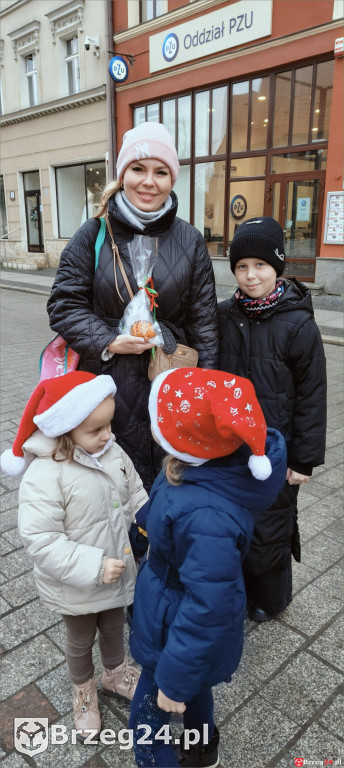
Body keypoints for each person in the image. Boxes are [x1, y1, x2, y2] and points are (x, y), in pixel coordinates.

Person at [128, 366, 287, 767]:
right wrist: (145, 524)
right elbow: (167, 502)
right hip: (177, 617)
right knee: (198, 689)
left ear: (187, 439)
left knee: (148, 721)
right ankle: (203, 749)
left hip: (175, 624)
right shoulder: (203, 464)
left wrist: (173, 681)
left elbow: (208, 607)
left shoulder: (206, 516)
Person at [47, 122, 219, 492]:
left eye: (161, 172)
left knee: (168, 486)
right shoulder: (92, 234)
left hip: (169, 382)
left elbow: (205, 322)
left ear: (172, 179)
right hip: (105, 388)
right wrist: (110, 339)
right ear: (122, 174)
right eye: (138, 169)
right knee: (111, 490)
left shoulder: (189, 239)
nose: (148, 182)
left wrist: (200, 394)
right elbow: (63, 305)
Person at [0, 371, 148, 741]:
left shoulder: (113, 452)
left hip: (116, 569)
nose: (107, 435)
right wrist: (93, 566)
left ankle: (115, 671)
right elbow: (42, 539)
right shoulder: (46, 475)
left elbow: (135, 491)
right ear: (64, 430)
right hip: (76, 583)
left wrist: (149, 520)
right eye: (95, 430)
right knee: (81, 638)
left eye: (109, 425)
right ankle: (83, 690)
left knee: (114, 625)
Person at [218, 216, 327, 621]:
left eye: (260, 266)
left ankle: (271, 597)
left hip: (277, 448)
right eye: (242, 266)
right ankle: (241, 590)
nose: (250, 276)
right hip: (231, 445)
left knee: (273, 521)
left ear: (277, 266)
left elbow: (313, 396)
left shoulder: (298, 324)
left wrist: (303, 459)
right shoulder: (223, 315)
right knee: (237, 519)